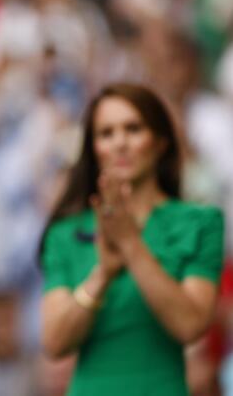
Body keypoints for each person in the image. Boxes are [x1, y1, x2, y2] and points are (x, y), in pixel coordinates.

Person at [39, 83, 224, 396]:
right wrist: (103, 273)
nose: (120, 142)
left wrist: (131, 246)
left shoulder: (200, 223)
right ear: (94, 148)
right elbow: (55, 342)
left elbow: (190, 324)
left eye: (133, 129)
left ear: (160, 141)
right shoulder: (66, 233)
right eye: (106, 133)